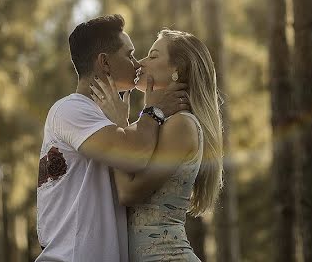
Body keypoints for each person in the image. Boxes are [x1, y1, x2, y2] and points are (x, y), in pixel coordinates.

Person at [36, 14, 190, 262]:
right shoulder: (71, 110)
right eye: (129, 55)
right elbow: (134, 156)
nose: (137, 64)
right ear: (105, 62)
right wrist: (155, 111)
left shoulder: (101, 120)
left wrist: (127, 123)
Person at [91, 29, 223, 262]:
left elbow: (129, 193)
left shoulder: (182, 124)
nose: (140, 62)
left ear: (177, 71)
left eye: (153, 56)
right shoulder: (158, 124)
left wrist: (117, 124)